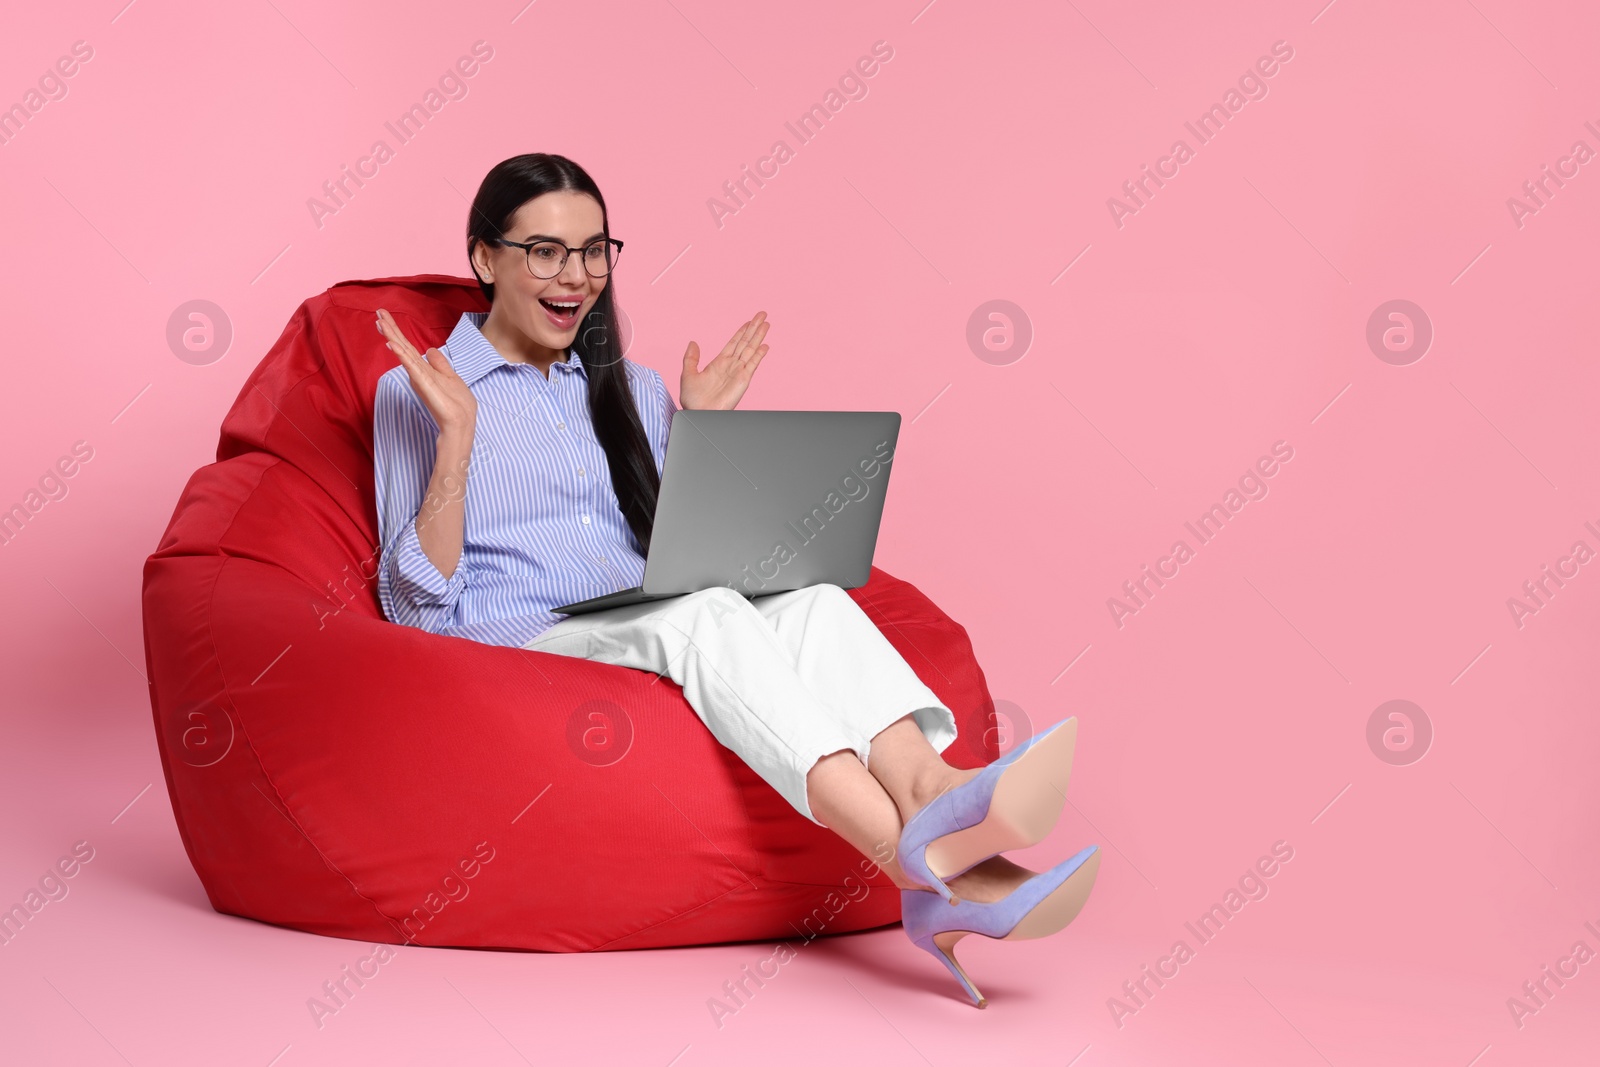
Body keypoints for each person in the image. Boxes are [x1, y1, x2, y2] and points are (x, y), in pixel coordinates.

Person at [371, 152, 1099, 1007]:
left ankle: (936, 790)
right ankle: (929, 871)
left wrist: (703, 439)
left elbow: (677, 549)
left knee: (814, 601)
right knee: (706, 614)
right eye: (545, 251)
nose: (576, 277)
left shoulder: (630, 389)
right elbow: (414, 603)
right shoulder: (418, 391)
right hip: (525, 640)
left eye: (594, 250)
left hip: (639, 616)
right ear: (484, 258)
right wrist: (457, 436)